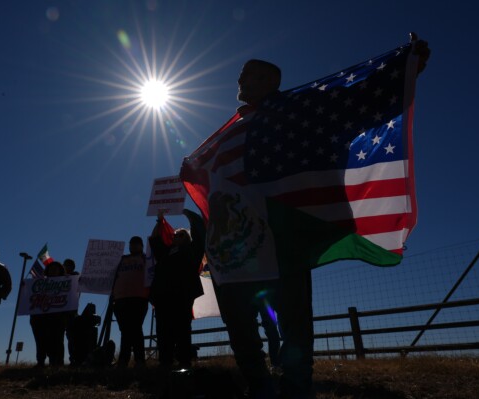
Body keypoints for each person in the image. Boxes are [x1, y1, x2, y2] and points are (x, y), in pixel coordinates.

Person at [183, 36, 430, 398]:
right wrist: (193, 167)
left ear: (270, 82)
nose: (240, 82)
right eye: (240, 76)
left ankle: (296, 387)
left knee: (293, 320)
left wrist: (406, 68)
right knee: (238, 321)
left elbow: (353, 102)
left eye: (248, 76)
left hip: (284, 237)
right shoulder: (231, 130)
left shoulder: (299, 109)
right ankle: (259, 385)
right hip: (236, 248)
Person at [149, 209, 205, 369]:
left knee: (182, 328)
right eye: (174, 235)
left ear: (187, 238)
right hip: (162, 296)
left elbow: (200, 235)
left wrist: (189, 214)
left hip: (182, 295)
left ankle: (184, 362)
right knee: (163, 330)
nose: (175, 236)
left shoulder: (191, 250)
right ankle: (165, 361)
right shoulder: (166, 252)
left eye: (180, 235)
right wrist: (159, 221)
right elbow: (154, 239)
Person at [111, 236, 150, 368]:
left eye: (136, 244)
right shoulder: (121, 260)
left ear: (141, 246)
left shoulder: (146, 259)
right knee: (125, 330)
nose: (133, 246)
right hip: (120, 299)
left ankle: (139, 360)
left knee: (136, 329)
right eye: (131, 244)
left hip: (139, 298)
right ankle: (124, 360)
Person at [30, 261, 69, 367]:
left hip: (58, 318)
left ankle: (56, 362)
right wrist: (25, 287)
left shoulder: (67, 282)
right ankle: (40, 361)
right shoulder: (39, 283)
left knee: (57, 340)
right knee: (40, 340)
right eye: (51, 269)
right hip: (40, 318)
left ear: (61, 271)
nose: (53, 271)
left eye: (56, 269)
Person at [63, 258, 80, 365]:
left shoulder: (76, 276)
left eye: (69, 266)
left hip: (71, 312)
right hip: (59, 312)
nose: (67, 268)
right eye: (65, 266)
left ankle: (74, 358)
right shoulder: (59, 277)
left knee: (72, 337)